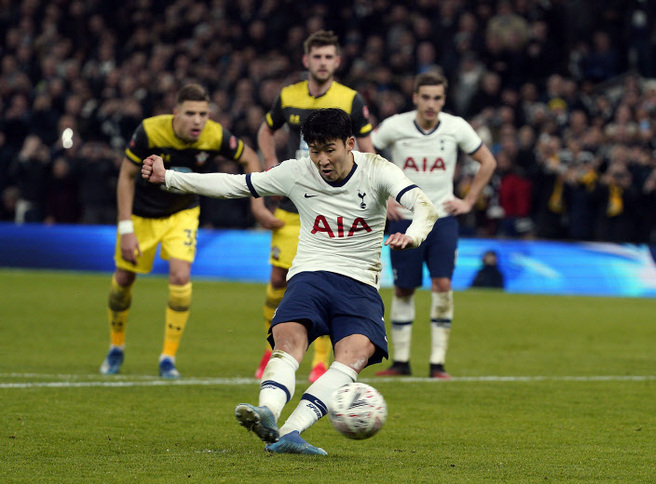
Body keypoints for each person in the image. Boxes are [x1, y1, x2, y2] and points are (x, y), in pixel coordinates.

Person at [141, 108, 437, 455]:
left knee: (354, 356)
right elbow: (235, 185)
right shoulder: (296, 172)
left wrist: (413, 235)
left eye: (329, 149)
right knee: (288, 340)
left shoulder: (377, 170)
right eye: (314, 150)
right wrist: (170, 178)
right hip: (310, 274)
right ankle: (267, 410)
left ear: (350, 143)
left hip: (359, 282)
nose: (322, 159)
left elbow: (423, 206)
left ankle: (290, 433)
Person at [99, 83, 276, 379]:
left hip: (182, 212)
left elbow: (249, 159)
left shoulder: (215, 135)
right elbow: (127, 176)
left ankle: (168, 357)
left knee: (181, 276)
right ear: (176, 113)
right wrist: (126, 228)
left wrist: (258, 206)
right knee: (123, 278)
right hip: (142, 214)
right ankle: (116, 347)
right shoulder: (150, 132)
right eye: (191, 113)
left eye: (203, 114)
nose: (198, 121)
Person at [256, 30, 375, 383]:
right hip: (293, 204)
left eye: (329, 57)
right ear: (306, 61)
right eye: (317, 57)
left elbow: (367, 148)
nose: (323, 63)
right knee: (279, 278)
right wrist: (269, 162)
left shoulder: (351, 100)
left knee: (325, 282)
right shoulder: (287, 96)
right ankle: (272, 349)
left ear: (337, 62)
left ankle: (320, 361)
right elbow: (266, 130)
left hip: (334, 205)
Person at [370, 71, 497, 379]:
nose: (431, 104)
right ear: (415, 97)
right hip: (404, 217)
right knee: (403, 288)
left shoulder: (456, 127)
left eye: (437, 98)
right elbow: (365, 153)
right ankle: (401, 362)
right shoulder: (395, 126)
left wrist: (468, 201)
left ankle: (437, 364)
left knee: (442, 285)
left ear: (444, 99)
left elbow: (488, 162)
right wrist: (383, 197)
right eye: (425, 97)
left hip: (441, 218)